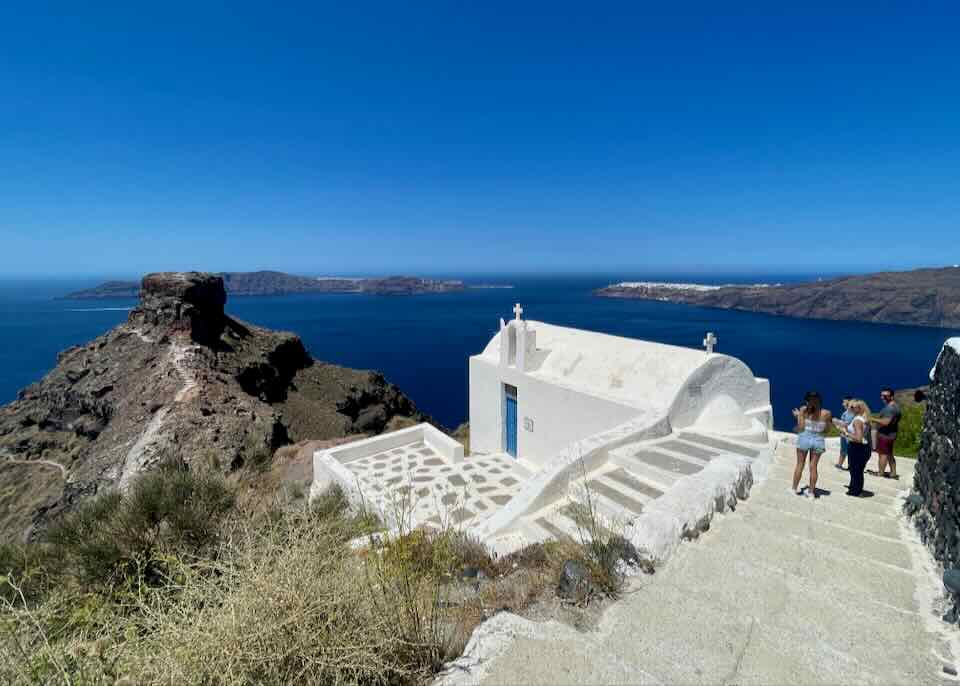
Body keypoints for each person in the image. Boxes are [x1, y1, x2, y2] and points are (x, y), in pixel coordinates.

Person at [792, 391, 832, 497]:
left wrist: (797, 416)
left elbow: (800, 427)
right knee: (813, 466)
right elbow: (827, 430)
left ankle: (794, 489)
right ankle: (811, 492)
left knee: (800, 464)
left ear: (807, 400)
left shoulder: (803, 410)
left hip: (804, 438)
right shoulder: (826, 413)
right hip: (818, 440)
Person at [840, 399, 872, 496]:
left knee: (855, 470)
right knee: (858, 470)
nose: (849, 408)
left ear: (859, 408)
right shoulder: (865, 419)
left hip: (856, 447)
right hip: (864, 448)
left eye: (852, 407)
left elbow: (858, 438)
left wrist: (845, 433)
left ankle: (855, 491)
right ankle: (855, 488)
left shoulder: (857, 421)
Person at [871, 387, 901, 479]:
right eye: (881, 395)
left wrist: (871, 418)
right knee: (889, 454)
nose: (882, 397)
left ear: (891, 397)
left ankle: (880, 473)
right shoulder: (896, 406)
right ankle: (893, 473)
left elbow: (886, 422)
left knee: (883, 454)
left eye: (885, 396)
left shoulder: (890, 409)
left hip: (885, 435)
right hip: (891, 434)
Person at [835, 396, 854, 470]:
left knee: (850, 451)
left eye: (844, 402)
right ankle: (840, 464)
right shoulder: (845, 413)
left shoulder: (852, 413)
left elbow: (847, 424)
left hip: (849, 435)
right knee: (843, 450)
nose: (843, 403)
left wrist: (838, 422)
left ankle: (850, 466)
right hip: (843, 434)